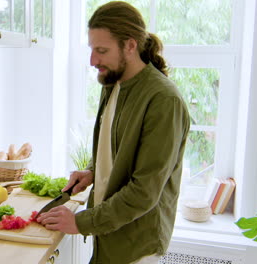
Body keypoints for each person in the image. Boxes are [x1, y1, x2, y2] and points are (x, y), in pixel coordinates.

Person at [36, 1, 190, 264]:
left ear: (130, 46)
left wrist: (80, 221)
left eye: (102, 50)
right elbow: (116, 150)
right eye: (92, 49)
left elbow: (144, 192)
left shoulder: (164, 101)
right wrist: (93, 171)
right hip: (109, 236)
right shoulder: (113, 84)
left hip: (136, 246)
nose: (93, 60)